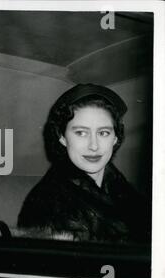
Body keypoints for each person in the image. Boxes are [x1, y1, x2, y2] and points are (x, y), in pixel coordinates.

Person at [17, 84, 150, 243]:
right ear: (62, 137)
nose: (93, 145)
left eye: (103, 133)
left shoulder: (124, 188)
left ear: (115, 138)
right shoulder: (44, 206)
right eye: (81, 133)